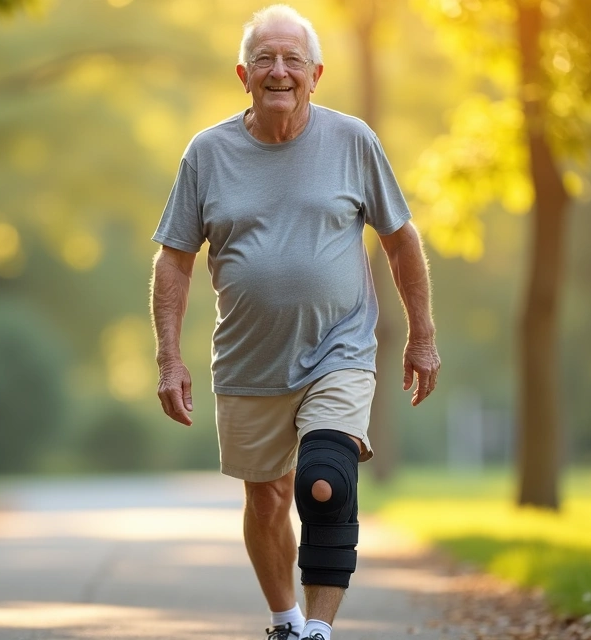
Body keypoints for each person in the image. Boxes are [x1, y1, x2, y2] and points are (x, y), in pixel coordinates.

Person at [148, 5, 441, 639]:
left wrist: (422, 335)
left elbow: (400, 240)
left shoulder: (352, 141)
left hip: (340, 347)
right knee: (268, 499)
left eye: (292, 60)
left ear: (316, 74)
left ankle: (318, 632)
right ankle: (285, 621)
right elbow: (174, 259)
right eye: (264, 59)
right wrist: (169, 357)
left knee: (324, 482)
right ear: (243, 75)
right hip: (248, 359)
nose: (278, 71)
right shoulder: (207, 153)